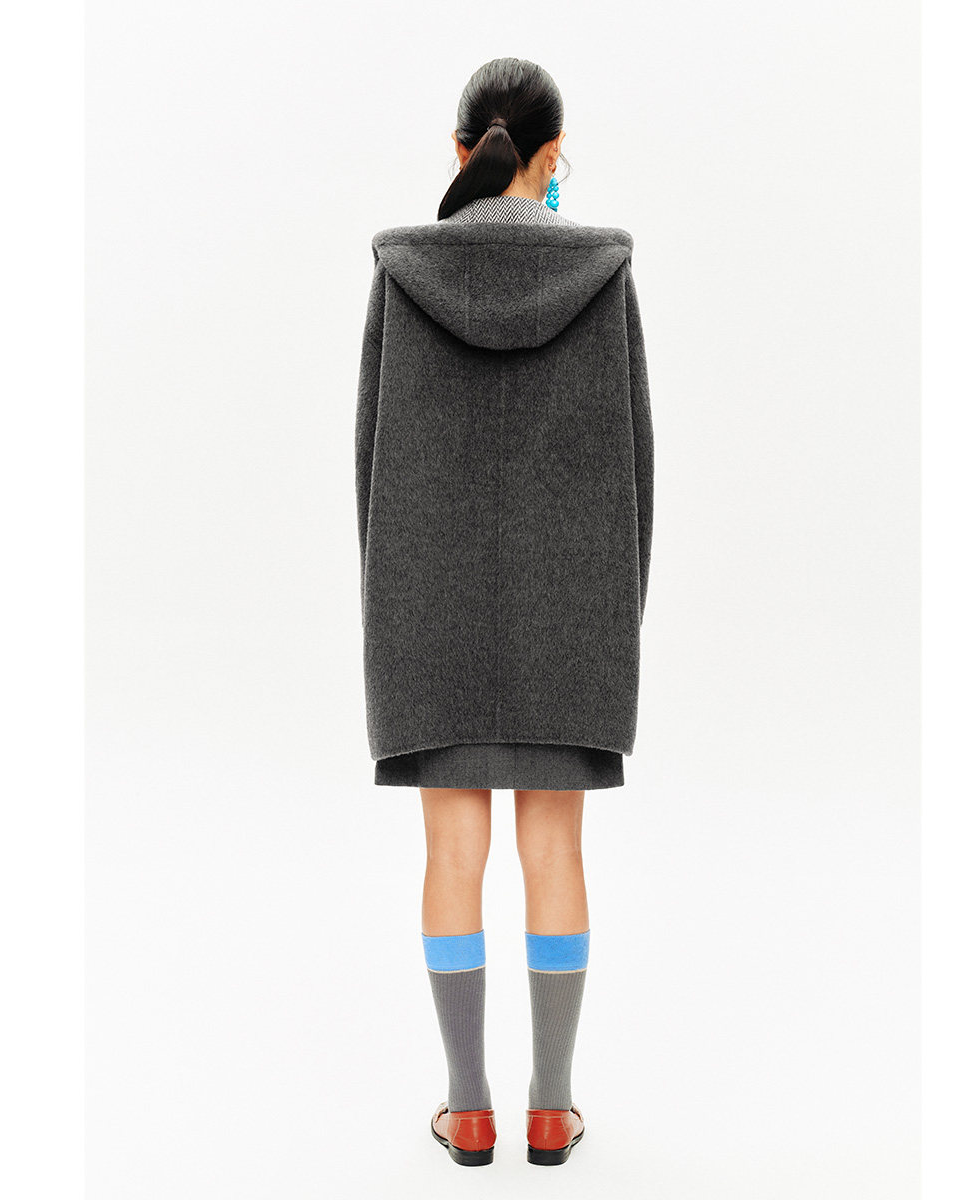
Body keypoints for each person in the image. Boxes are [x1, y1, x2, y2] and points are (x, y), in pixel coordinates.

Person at [353, 56, 655, 1167]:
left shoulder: (403, 273)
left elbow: (369, 461)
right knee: (555, 847)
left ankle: (468, 1106)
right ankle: (552, 1108)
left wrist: (391, 600)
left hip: (427, 596)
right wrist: (616, 607)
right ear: (554, 154)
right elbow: (638, 465)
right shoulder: (603, 273)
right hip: (572, 601)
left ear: (460, 150)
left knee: (451, 849)